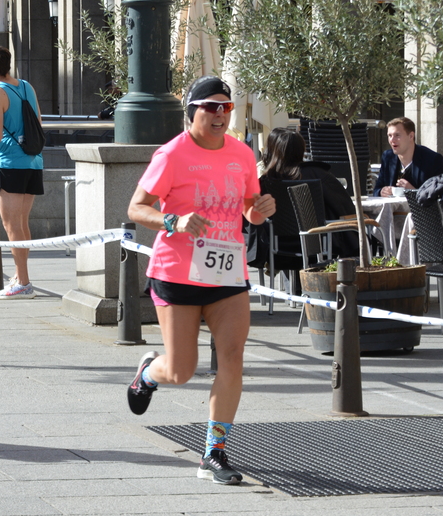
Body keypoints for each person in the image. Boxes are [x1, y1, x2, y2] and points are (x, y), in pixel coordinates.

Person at [125, 75, 276, 485]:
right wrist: (174, 220)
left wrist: (261, 208)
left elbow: (249, 209)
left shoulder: (243, 155)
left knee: (232, 359)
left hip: (227, 271)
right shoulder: (172, 154)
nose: (219, 114)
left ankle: (215, 452)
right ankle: (148, 374)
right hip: (177, 271)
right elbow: (137, 208)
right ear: (191, 111)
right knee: (181, 369)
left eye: (225, 107)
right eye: (211, 107)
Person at [0, 44, 43, 299]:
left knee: (11, 225)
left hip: (11, 163)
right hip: (34, 161)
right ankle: (20, 275)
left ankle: (24, 283)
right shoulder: (26, 86)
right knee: (22, 223)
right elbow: (37, 123)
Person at [247, 127, 358, 265]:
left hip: (277, 249)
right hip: (319, 246)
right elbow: (345, 208)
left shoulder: (265, 182)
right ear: (301, 148)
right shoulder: (319, 174)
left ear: (270, 150)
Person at [373, 117, 443, 196]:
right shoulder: (388, 157)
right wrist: (382, 191)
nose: (392, 140)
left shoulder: (432, 160)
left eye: (397, 135)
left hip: (418, 208)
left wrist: (413, 192)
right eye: (390, 135)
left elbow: (441, 195)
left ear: (411, 136)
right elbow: (376, 190)